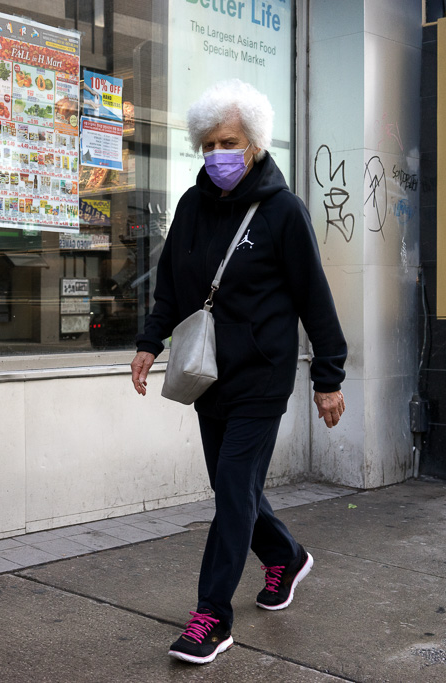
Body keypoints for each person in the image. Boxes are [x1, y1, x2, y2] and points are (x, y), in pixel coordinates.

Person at [129, 79, 347, 666]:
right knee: (236, 489)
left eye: (228, 141)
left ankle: (211, 618)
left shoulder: (282, 211)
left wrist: (329, 376)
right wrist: (151, 342)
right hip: (208, 377)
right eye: (207, 143)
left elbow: (315, 299)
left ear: (252, 143)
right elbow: (172, 286)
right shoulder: (191, 206)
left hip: (262, 377)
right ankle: (287, 556)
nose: (217, 154)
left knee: (231, 494)